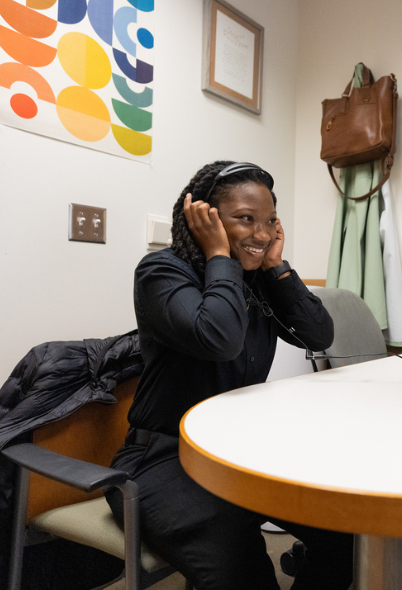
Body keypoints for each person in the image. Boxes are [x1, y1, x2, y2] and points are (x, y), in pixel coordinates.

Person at [105, 161, 353, 590]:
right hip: (163, 461)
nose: (261, 233)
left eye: (269, 221)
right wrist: (220, 255)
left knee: (347, 537)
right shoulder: (161, 272)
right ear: (206, 218)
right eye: (245, 219)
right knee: (244, 573)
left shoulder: (257, 280)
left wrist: (276, 266)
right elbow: (218, 337)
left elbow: (319, 333)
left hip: (239, 452)